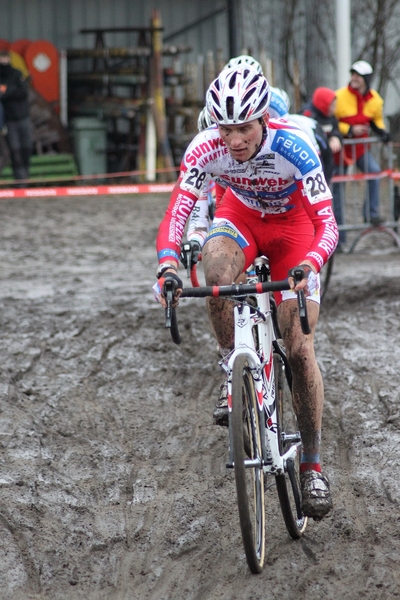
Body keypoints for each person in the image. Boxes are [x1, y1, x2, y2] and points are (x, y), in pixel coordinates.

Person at [155, 67, 338, 520]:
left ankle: (312, 464)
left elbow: (329, 225)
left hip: (296, 231)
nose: (233, 140)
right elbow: (177, 212)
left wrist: (310, 263)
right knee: (214, 272)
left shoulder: (294, 147)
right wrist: (166, 265)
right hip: (242, 217)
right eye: (225, 129)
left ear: (263, 120)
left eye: (243, 128)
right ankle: (229, 366)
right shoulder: (206, 148)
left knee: (297, 347)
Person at [334, 60, 390, 227]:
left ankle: (371, 214)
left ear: (366, 78)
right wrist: (349, 129)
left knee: (375, 173)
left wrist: (383, 133)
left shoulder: (375, 99)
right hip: (341, 150)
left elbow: (376, 121)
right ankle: (339, 233)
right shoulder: (339, 96)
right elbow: (332, 122)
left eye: (358, 75)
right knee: (338, 188)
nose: (354, 78)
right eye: (353, 74)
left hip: (360, 149)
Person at [0, 49, 32, 184]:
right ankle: (20, 181)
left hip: (23, 117)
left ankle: (25, 177)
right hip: (10, 121)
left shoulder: (16, 73)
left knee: (26, 149)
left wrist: (9, 91)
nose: (4, 62)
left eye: (5, 59)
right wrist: (12, 91)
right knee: (15, 151)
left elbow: (23, 93)